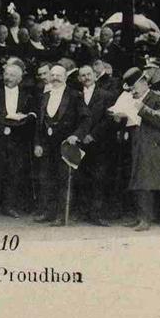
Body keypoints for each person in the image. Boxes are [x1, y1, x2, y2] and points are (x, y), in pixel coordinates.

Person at [113, 67, 160, 232]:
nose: (132, 90)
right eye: (130, 88)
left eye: (134, 87)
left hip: (150, 145)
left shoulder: (159, 97)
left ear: (144, 83)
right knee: (135, 181)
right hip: (133, 143)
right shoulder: (130, 98)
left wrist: (141, 107)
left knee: (146, 182)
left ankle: (146, 219)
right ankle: (139, 216)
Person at [32, 64, 86, 226]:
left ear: (65, 77)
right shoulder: (45, 96)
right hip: (47, 145)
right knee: (46, 179)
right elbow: (39, 124)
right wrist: (38, 144)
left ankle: (62, 216)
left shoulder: (75, 95)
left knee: (64, 179)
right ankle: (48, 212)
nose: (55, 78)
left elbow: (85, 118)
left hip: (65, 144)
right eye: (53, 75)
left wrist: (76, 135)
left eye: (59, 75)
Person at [65, 63, 118, 226]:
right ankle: (81, 212)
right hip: (79, 143)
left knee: (98, 179)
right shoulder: (75, 95)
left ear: (95, 76)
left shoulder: (107, 95)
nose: (86, 78)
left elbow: (108, 119)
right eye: (82, 75)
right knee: (80, 178)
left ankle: (97, 214)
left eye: (89, 74)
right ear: (79, 78)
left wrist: (93, 135)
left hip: (99, 144)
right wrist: (78, 135)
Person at [0, 61, 35, 218]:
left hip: (16, 140)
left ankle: (9, 207)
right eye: (6, 74)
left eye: (12, 75)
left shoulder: (26, 96)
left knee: (13, 173)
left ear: (19, 79)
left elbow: (33, 115)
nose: (8, 78)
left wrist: (26, 117)